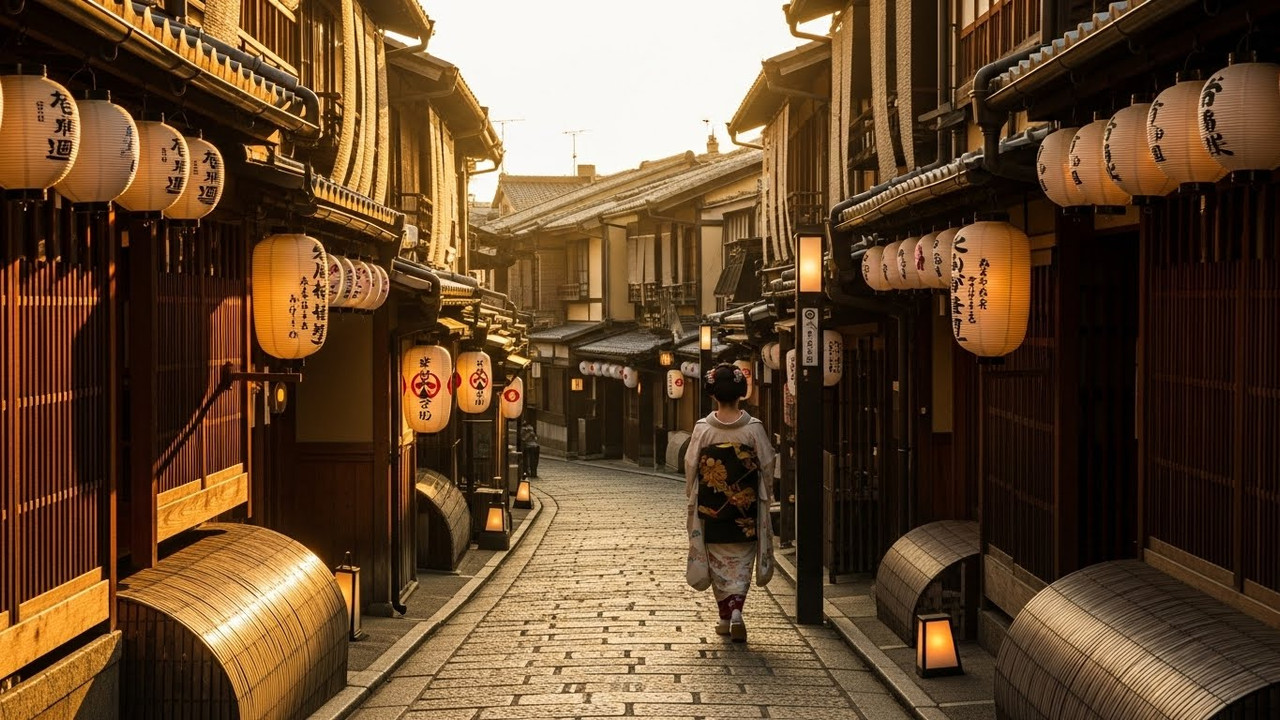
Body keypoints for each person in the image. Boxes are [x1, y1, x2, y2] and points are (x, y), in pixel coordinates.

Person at [685, 363, 776, 643]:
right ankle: (734, 612)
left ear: (714, 396)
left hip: (712, 509)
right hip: (744, 512)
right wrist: (766, 493)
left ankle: (727, 616)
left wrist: (693, 494)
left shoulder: (703, 429)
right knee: (740, 563)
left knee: (718, 564)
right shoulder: (753, 428)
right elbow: (768, 463)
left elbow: (691, 464)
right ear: (740, 394)